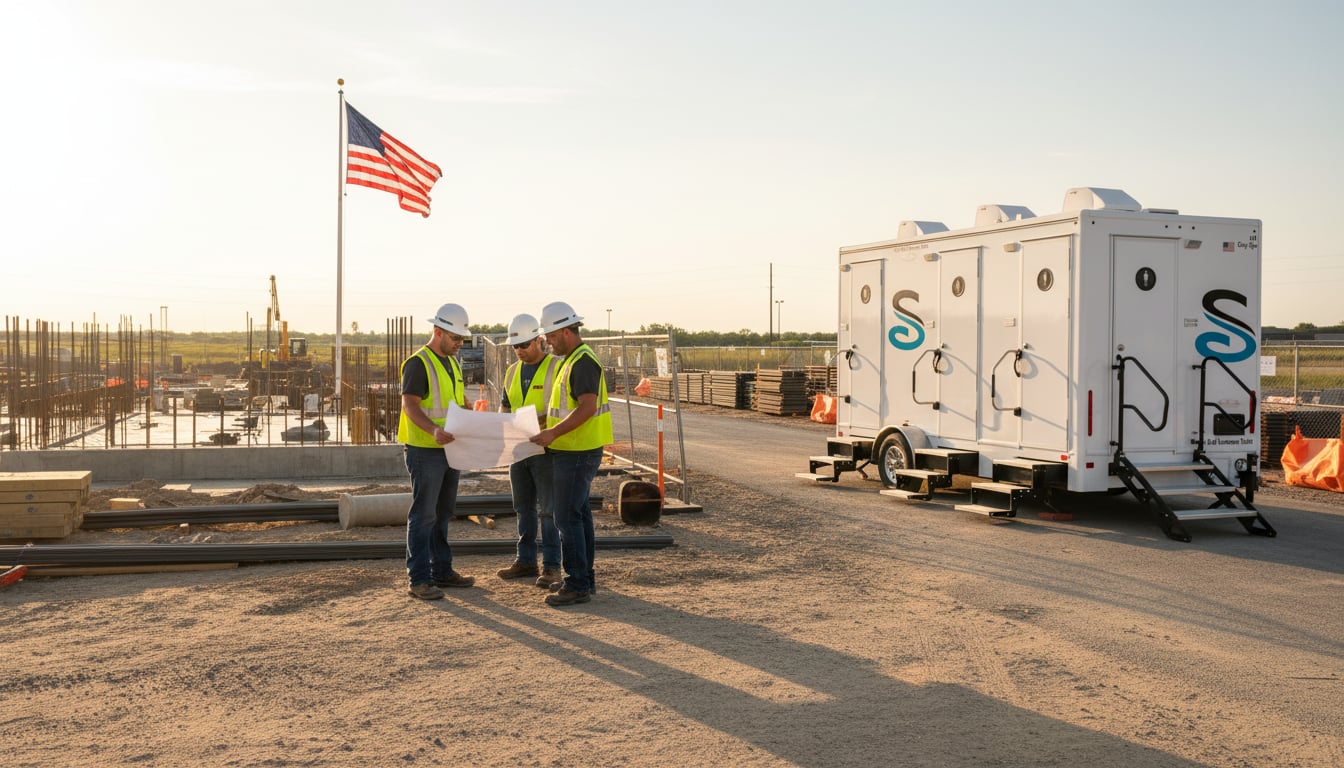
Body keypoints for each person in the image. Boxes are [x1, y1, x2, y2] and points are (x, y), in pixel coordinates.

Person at [530, 301, 612, 607]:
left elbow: (587, 407)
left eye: (551, 335)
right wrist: (542, 425)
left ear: (566, 331)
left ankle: (576, 583)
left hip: (578, 450)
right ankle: (584, 579)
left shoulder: (582, 362)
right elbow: (564, 408)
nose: (547, 341)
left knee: (566, 517)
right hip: (572, 449)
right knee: (577, 515)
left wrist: (552, 433)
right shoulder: (571, 359)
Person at [398, 303, 477, 600]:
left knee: (442, 513)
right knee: (424, 514)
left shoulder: (452, 363)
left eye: (461, 339)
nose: (459, 344)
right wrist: (433, 430)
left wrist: (474, 414)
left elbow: (456, 402)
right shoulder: (419, 363)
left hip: (450, 448)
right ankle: (418, 578)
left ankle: (441, 571)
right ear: (438, 331)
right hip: (425, 449)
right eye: (455, 338)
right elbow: (410, 405)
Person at [496, 313, 563, 588]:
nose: (519, 351)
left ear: (539, 340)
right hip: (519, 450)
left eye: (524, 345)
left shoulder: (556, 367)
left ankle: (551, 567)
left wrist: (542, 426)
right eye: (515, 346)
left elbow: (563, 410)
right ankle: (525, 561)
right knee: (523, 508)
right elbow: (506, 407)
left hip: (546, 450)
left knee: (548, 510)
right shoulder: (512, 371)